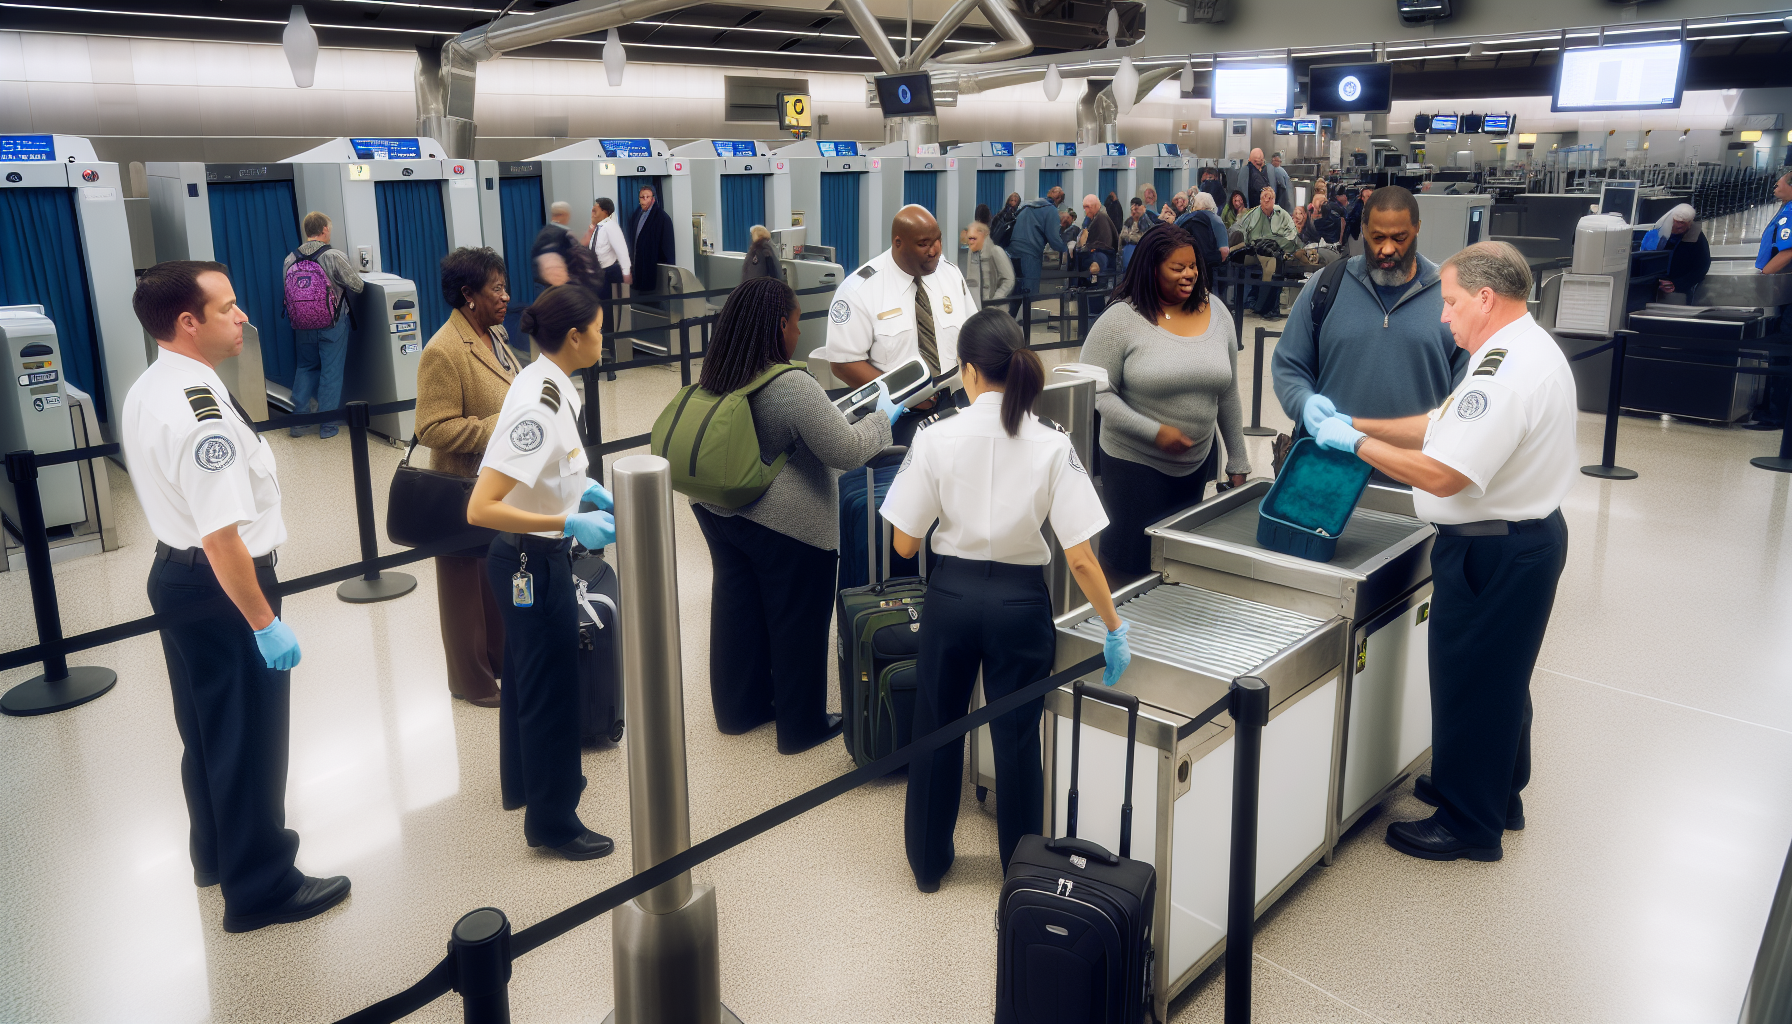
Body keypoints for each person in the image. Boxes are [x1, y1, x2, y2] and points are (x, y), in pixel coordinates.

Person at [1306, 242, 1575, 863]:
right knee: (1501, 679)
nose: (1443, 316)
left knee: (1472, 681)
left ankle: (1467, 824)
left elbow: (1441, 472)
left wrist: (1351, 444)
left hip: (1494, 550)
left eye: (1451, 303)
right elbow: (1439, 423)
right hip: (1521, 540)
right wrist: (1355, 420)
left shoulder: (1504, 372)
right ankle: (1494, 794)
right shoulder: (1517, 349)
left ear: (1486, 298)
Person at [123, 260, 350, 932]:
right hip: (226, 585)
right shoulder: (203, 416)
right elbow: (223, 539)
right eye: (227, 307)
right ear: (188, 322)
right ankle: (262, 887)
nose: (243, 315)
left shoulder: (154, 385)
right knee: (250, 738)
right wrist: (263, 620)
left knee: (208, 732)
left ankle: (217, 856)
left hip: (178, 577)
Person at [880, 308, 1132, 892]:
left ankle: (927, 864)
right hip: (1020, 604)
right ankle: (1019, 872)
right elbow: (1080, 556)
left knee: (937, 727)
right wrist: (1113, 626)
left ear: (968, 373)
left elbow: (904, 540)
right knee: (1016, 739)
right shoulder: (1051, 444)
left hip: (950, 595)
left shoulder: (934, 437)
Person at [691, 277, 896, 753]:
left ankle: (740, 711)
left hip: (719, 512)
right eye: (798, 321)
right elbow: (846, 451)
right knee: (797, 620)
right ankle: (801, 726)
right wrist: (883, 417)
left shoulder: (719, 371)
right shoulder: (790, 384)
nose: (800, 332)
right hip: (787, 526)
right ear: (780, 324)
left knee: (736, 612)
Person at [466, 284, 617, 861]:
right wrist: (567, 522)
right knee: (551, 690)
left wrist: (581, 490)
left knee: (528, 680)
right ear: (575, 337)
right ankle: (553, 823)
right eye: (599, 329)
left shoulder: (554, 382)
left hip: (535, 550)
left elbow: (552, 466)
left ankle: (524, 786)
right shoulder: (539, 404)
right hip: (529, 557)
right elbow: (481, 506)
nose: (604, 338)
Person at [1078, 225, 1249, 577]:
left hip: (1194, 464)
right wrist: (1154, 432)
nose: (1189, 274)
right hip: (1134, 465)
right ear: (1152, 268)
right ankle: (1120, 627)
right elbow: (1095, 389)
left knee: (1176, 559)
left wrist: (1238, 458)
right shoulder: (1121, 320)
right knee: (1130, 561)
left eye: (1193, 266)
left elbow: (1227, 391)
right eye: (1177, 268)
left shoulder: (1217, 313)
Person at [1273, 185, 1468, 449]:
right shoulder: (1327, 286)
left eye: (1399, 238)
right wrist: (1303, 401)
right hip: (1333, 466)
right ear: (1363, 229)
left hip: (1416, 474)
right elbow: (1289, 364)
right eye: (1377, 237)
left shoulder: (1449, 297)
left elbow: (1468, 391)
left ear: (1417, 228)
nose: (1387, 249)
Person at [416, 246, 519, 708]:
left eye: (504, 286)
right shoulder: (443, 350)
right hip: (460, 487)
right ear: (467, 294)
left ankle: (498, 662)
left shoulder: (496, 336)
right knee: (463, 591)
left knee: (492, 581)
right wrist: (500, 427)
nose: (506, 296)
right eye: (496, 288)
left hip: (498, 484)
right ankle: (470, 680)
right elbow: (431, 428)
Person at [822, 204, 975, 443]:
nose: (934, 250)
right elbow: (844, 363)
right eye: (924, 244)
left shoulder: (950, 274)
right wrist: (903, 395)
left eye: (938, 240)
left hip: (956, 402)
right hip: (898, 417)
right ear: (898, 242)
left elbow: (973, 332)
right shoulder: (860, 290)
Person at [282, 212, 364, 439]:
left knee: (305, 368)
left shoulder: (290, 258)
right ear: (325, 230)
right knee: (331, 372)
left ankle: (299, 424)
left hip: (302, 325)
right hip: (332, 323)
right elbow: (357, 286)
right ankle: (327, 427)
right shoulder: (334, 256)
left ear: (306, 231)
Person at [1234, 186, 1298, 319]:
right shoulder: (1251, 215)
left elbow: (1292, 232)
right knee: (1269, 264)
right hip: (1255, 250)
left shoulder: (1282, 214)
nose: (1267, 200)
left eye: (1270, 197)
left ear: (1274, 200)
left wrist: (1283, 244)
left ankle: (1269, 307)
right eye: (1264, 197)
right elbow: (1241, 232)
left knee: (1276, 264)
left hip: (1277, 251)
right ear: (1260, 200)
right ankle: (1261, 305)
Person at [1007, 186, 1068, 311]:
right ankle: (1025, 327)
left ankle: (1010, 324)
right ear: (1058, 199)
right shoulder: (1050, 210)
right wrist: (1067, 248)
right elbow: (1055, 240)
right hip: (1030, 256)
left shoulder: (1026, 205)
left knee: (1014, 293)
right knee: (1029, 296)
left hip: (1012, 253)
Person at [1636, 203, 1708, 300]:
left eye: (1683, 223)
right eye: (1676, 222)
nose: (1679, 226)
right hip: (1650, 286)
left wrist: (1678, 284)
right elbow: (1643, 258)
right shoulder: (1656, 232)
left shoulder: (1696, 237)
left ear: (1690, 223)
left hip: (1678, 290)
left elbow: (1702, 266)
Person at [585, 197, 632, 334]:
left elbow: (622, 250)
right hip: (596, 273)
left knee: (606, 309)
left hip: (608, 272)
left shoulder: (611, 227)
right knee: (597, 307)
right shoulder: (598, 227)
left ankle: (608, 340)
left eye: (596, 209)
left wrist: (626, 272)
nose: (593, 211)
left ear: (605, 211)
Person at [628, 184, 676, 294]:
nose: (644, 200)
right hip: (638, 266)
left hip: (654, 269)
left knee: (652, 298)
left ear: (653, 198)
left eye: (647, 197)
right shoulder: (636, 216)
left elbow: (668, 247)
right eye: (642, 197)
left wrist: (669, 271)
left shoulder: (662, 218)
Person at [1078, 193, 1120, 317]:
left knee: (1096, 290)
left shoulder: (1101, 218)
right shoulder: (1093, 219)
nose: (1086, 210)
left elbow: (1103, 244)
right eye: (1084, 207)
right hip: (1098, 257)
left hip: (1101, 259)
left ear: (1096, 206)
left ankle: (1095, 317)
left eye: (1088, 207)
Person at [966, 221, 1015, 306]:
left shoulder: (996, 251)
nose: (971, 242)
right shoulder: (972, 254)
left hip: (994, 310)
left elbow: (1009, 280)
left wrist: (995, 300)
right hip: (976, 309)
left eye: (974, 238)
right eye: (969, 238)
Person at [532, 201, 577, 286]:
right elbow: (575, 259)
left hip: (543, 283)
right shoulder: (565, 235)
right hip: (562, 284)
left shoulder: (543, 233)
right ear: (564, 215)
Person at [1757, 170, 1792, 277]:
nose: (1775, 185)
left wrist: (1764, 276)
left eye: (1778, 184)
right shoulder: (1786, 207)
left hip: (1783, 277)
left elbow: (1788, 251)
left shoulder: (1790, 212)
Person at [1119, 197, 1149, 268]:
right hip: (1127, 251)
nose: (1134, 211)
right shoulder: (1128, 221)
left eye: (1136, 209)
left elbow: (1143, 237)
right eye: (1132, 209)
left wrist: (1131, 237)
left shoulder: (1145, 221)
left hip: (1139, 251)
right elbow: (1122, 236)